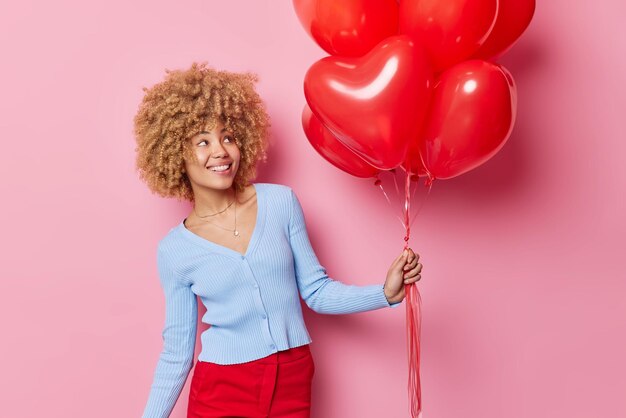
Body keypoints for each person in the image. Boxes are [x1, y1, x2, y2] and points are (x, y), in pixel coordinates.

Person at [133, 62, 423, 418]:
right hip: (221, 387)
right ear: (176, 155)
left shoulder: (280, 203)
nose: (221, 151)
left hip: (293, 378)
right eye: (202, 142)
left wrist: (384, 293)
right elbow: (177, 353)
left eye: (228, 136)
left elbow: (316, 291)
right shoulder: (176, 251)